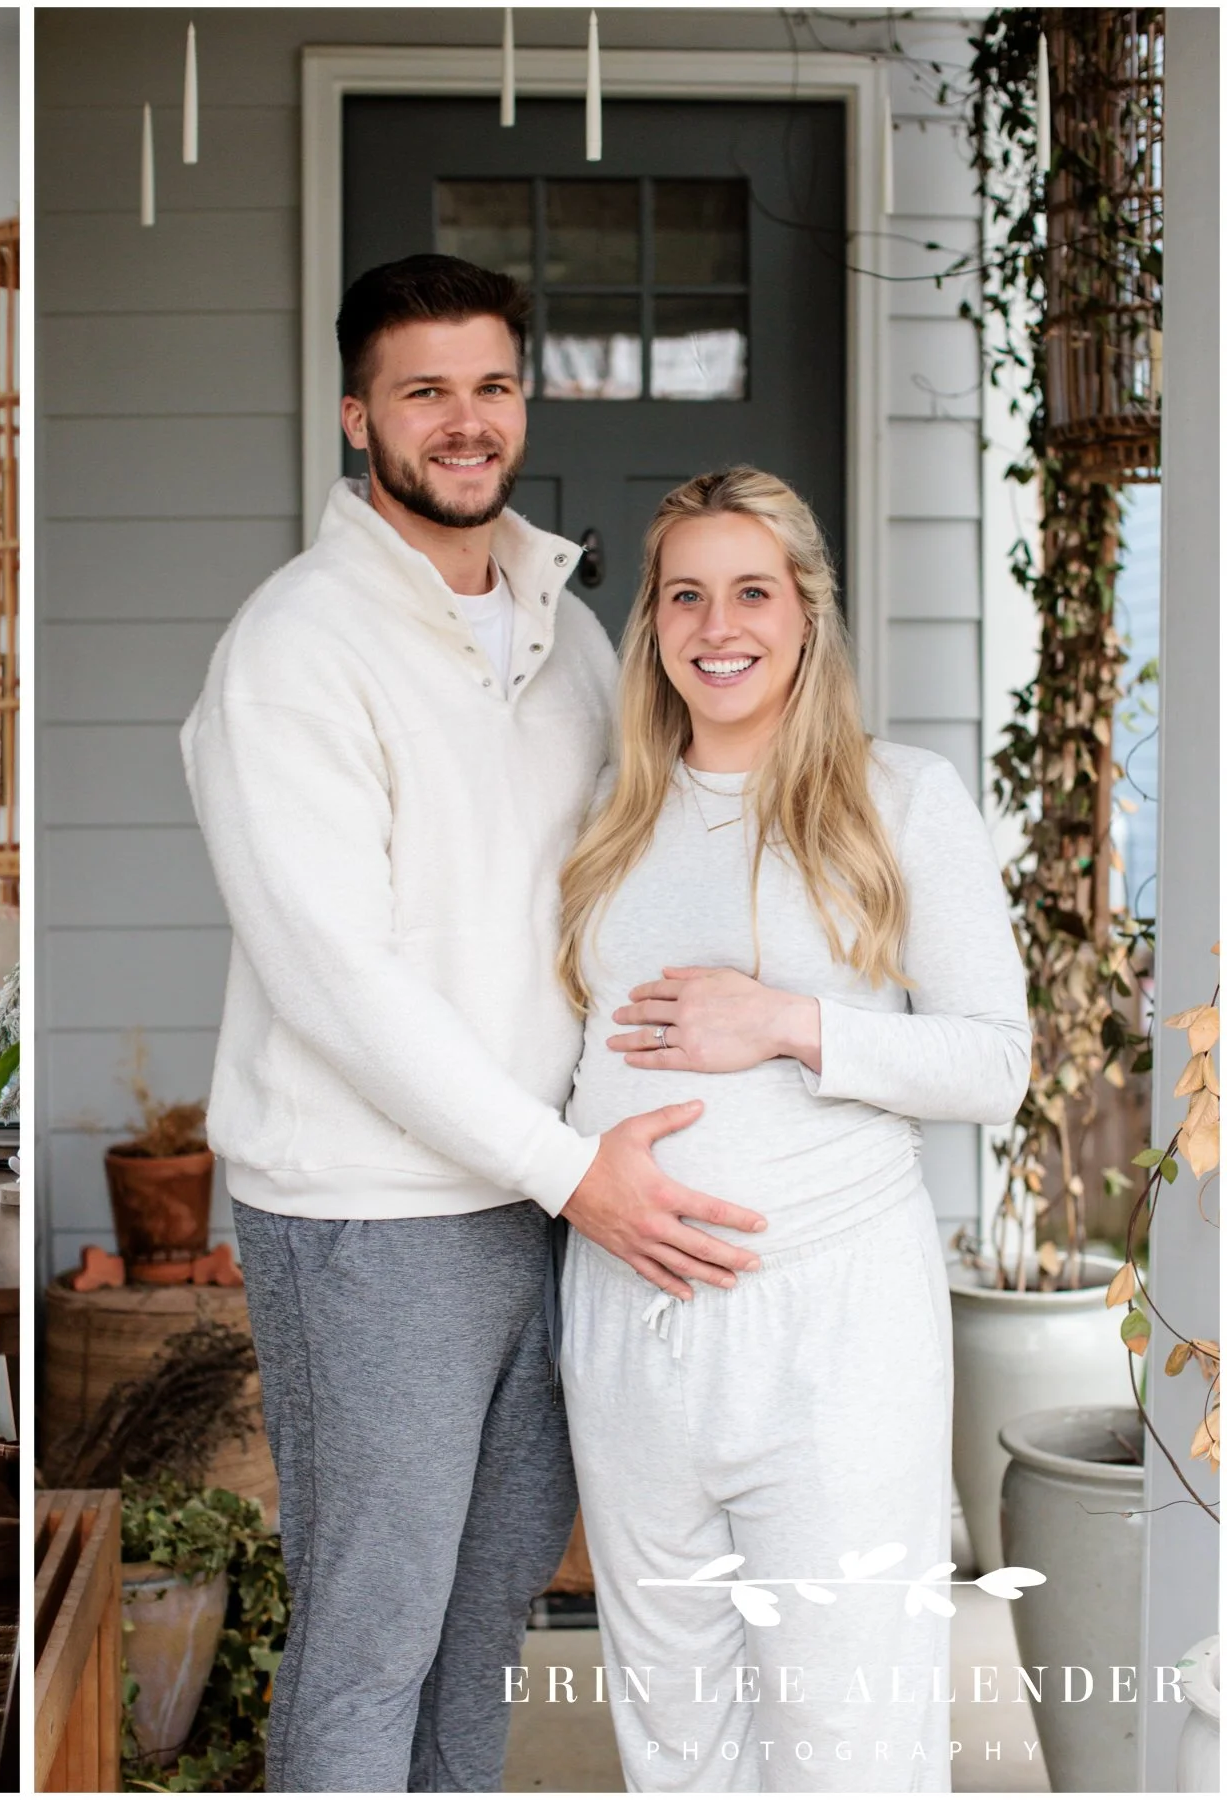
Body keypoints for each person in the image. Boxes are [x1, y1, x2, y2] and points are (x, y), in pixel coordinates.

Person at [181, 253, 768, 1793]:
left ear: (524, 400)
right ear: (355, 414)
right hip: (376, 1221)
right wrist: (574, 1171)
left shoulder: (566, 630)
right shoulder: (296, 649)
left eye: (491, 386)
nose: (465, 421)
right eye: (424, 390)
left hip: (550, 1202)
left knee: (489, 1622)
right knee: (371, 1640)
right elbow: (338, 979)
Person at [554, 469, 1027, 1790]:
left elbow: (998, 1064)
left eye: (752, 589)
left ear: (807, 612)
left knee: (845, 1734)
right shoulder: (605, 818)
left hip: (831, 1332)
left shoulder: (899, 800)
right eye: (685, 594)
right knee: (676, 1732)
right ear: (650, 624)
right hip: (631, 1327)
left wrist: (790, 1024)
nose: (720, 625)